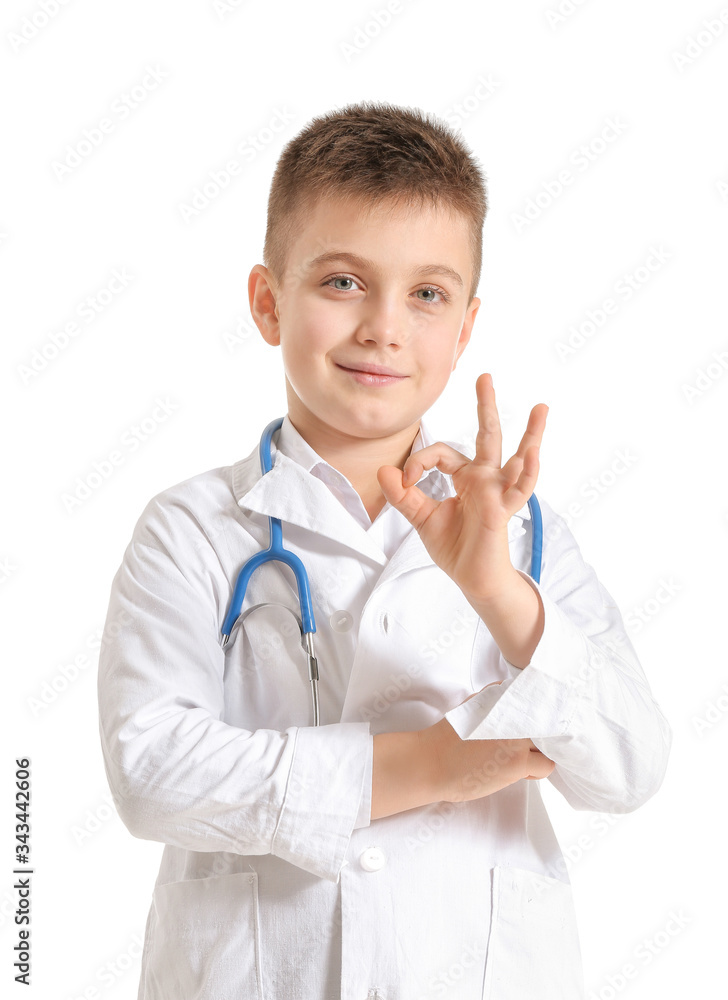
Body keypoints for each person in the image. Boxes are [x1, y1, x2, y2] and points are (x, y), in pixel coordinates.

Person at [97, 101, 671, 1000]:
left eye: (427, 294)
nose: (384, 328)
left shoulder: (522, 532)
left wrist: (494, 588)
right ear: (266, 303)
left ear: (465, 328)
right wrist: (429, 766)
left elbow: (630, 765)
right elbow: (154, 772)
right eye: (342, 282)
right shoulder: (193, 527)